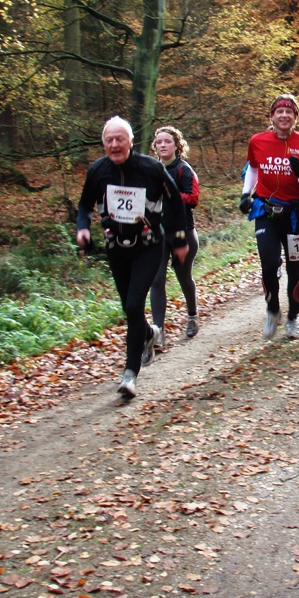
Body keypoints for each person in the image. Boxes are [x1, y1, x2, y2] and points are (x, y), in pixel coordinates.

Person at [76, 116, 189, 400]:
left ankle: (130, 374)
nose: (114, 145)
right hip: (117, 247)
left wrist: (178, 239)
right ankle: (148, 333)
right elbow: (84, 204)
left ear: (130, 142)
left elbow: (175, 201)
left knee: (134, 302)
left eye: (119, 139)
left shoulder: (150, 168)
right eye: (109, 140)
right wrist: (83, 229)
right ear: (103, 143)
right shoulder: (97, 170)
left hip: (149, 245)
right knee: (131, 310)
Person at [240, 94, 299, 340]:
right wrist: (246, 194)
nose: (284, 116)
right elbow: (253, 168)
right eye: (279, 112)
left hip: (295, 214)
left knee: (295, 270)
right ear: (272, 116)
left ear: (295, 117)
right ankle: (273, 309)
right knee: (268, 265)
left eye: (289, 112)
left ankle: (293, 319)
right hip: (266, 210)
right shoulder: (258, 141)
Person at [149, 126, 200, 346]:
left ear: (176, 145)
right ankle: (158, 331)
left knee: (183, 277)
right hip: (158, 234)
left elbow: (193, 198)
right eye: (159, 142)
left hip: (184, 234)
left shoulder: (183, 169)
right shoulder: (151, 170)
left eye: (167, 141)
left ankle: (192, 316)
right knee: (157, 279)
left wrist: (169, 194)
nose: (162, 145)